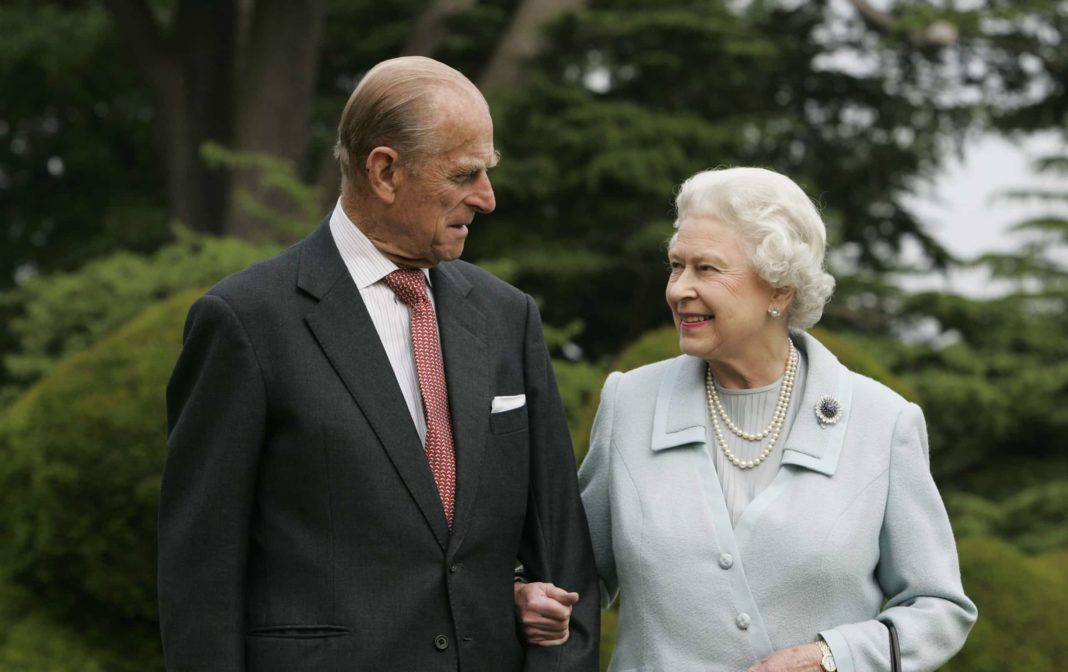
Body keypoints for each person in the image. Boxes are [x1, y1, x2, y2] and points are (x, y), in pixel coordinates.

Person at [159, 56, 599, 672]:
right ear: (385, 171)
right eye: (465, 174)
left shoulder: (508, 317)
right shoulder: (244, 322)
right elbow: (199, 576)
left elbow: (564, 557)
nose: (487, 198)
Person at [519, 167, 977, 671]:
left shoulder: (882, 423)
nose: (678, 290)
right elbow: (573, 573)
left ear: (779, 290)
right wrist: (528, 593)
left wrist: (831, 659)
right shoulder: (630, 402)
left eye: (707, 269)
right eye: (676, 266)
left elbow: (939, 609)